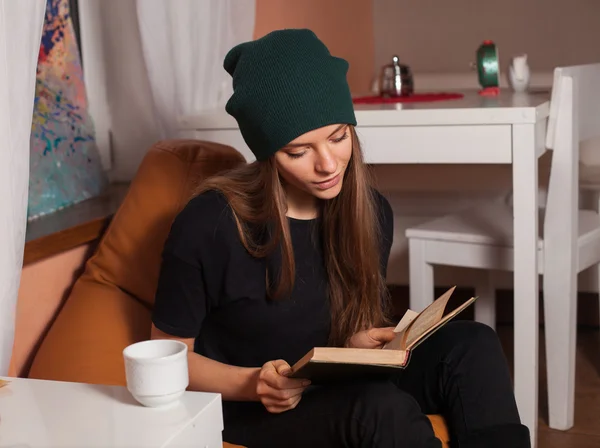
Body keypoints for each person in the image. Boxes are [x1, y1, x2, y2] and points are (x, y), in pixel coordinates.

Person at [150, 29, 530, 448]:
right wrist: (253, 383)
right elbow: (168, 358)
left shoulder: (370, 211)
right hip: (252, 409)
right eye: (298, 151)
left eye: (338, 136)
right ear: (266, 152)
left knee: (472, 344)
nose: (328, 164)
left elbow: (332, 326)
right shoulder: (210, 224)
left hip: (333, 387)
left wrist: (356, 343)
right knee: (378, 407)